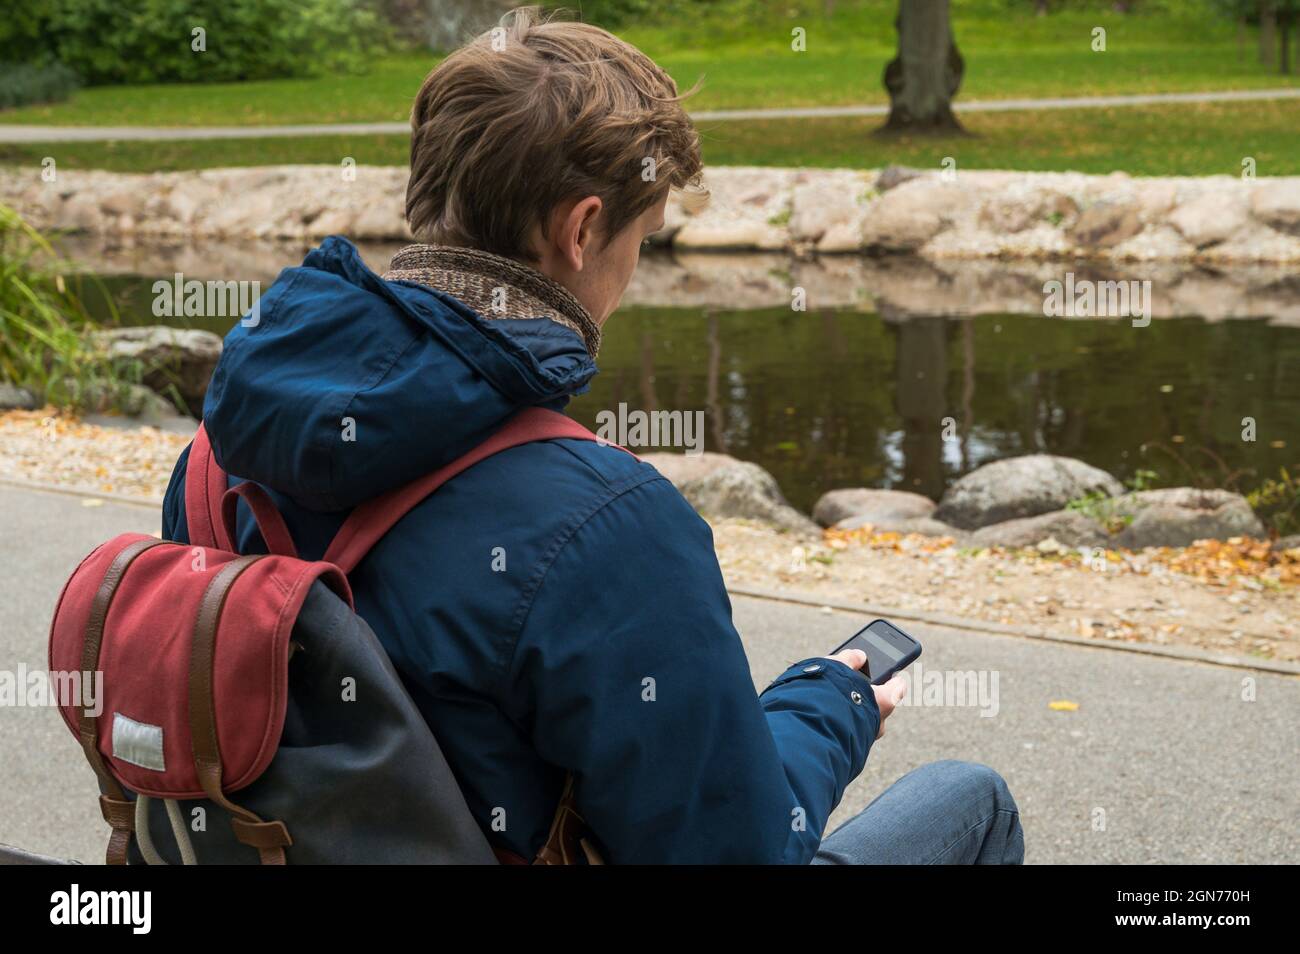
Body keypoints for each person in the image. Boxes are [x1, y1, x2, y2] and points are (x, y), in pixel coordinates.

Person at [162, 6, 1022, 865]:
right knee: (967, 799)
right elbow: (739, 853)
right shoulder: (605, 523)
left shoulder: (215, 458)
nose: (634, 269)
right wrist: (831, 701)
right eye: (642, 236)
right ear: (580, 231)